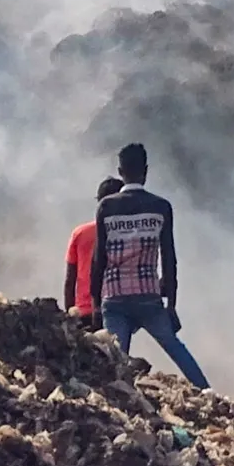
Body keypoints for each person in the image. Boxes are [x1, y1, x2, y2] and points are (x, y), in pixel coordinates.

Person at [89, 143, 210, 389]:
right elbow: (169, 259)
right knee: (176, 349)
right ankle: (207, 390)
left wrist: (94, 303)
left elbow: (98, 259)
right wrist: (172, 305)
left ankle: (117, 406)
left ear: (120, 171)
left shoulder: (107, 207)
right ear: (145, 171)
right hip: (148, 297)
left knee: (115, 362)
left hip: (115, 298)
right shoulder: (160, 207)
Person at [64, 176, 125, 330]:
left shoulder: (80, 233)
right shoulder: (127, 234)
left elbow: (70, 280)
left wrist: (69, 314)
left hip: (83, 312)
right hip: (115, 310)